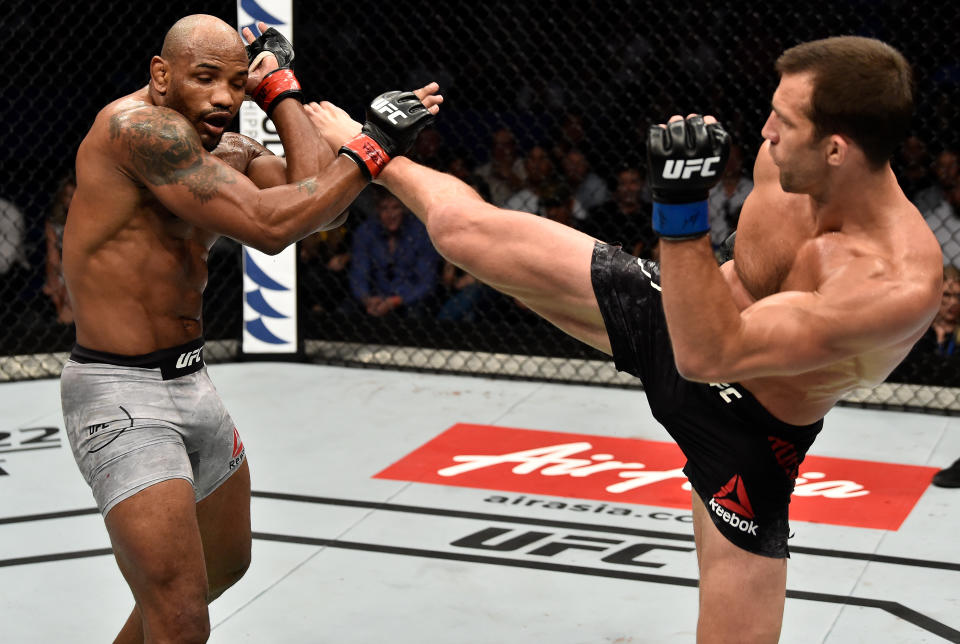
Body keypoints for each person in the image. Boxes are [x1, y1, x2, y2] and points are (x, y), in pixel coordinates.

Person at [310, 36, 941, 642]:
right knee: (461, 231)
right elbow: (705, 313)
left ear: (836, 149)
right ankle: (376, 149)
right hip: (675, 316)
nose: (766, 132)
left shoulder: (890, 285)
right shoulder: (784, 166)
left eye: (783, 122)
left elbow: (710, 355)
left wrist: (679, 208)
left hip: (748, 433)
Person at [59, 15, 440, 643]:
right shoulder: (138, 131)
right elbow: (270, 226)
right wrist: (374, 145)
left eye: (235, 84)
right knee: (181, 619)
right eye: (204, 78)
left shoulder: (226, 150)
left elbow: (311, 203)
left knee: (222, 569)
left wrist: (280, 88)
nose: (221, 98)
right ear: (161, 76)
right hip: (119, 394)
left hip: (192, 383)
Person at [347, 188, 441, 318]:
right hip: (375, 297)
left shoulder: (420, 233)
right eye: (385, 209)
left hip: (409, 299)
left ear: (404, 209)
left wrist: (397, 300)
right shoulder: (366, 232)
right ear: (378, 210)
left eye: (395, 207)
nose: (391, 214)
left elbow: (427, 281)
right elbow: (359, 273)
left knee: (417, 312)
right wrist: (366, 298)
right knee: (346, 311)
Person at [43, 171, 77, 324]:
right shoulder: (54, 223)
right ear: (62, 199)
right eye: (69, 196)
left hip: (84, 269)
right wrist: (55, 281)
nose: (73, 200)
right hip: (63, 268)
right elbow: (52, 256)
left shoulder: (92, 220)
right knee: (54, 288)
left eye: (77, 194)